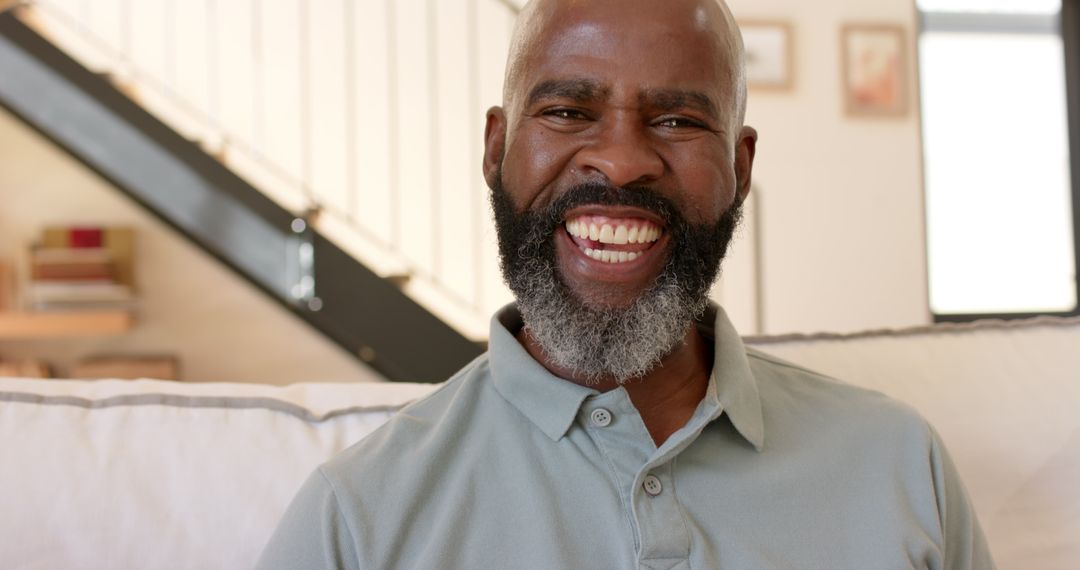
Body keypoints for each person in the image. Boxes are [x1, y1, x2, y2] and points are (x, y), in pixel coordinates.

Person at [258, 0, 995, 567]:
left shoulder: (899, 465)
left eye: (676, 119)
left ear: (740, 167)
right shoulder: (359, 517)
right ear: (497, 149)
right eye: (569, 111)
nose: (618, 161)